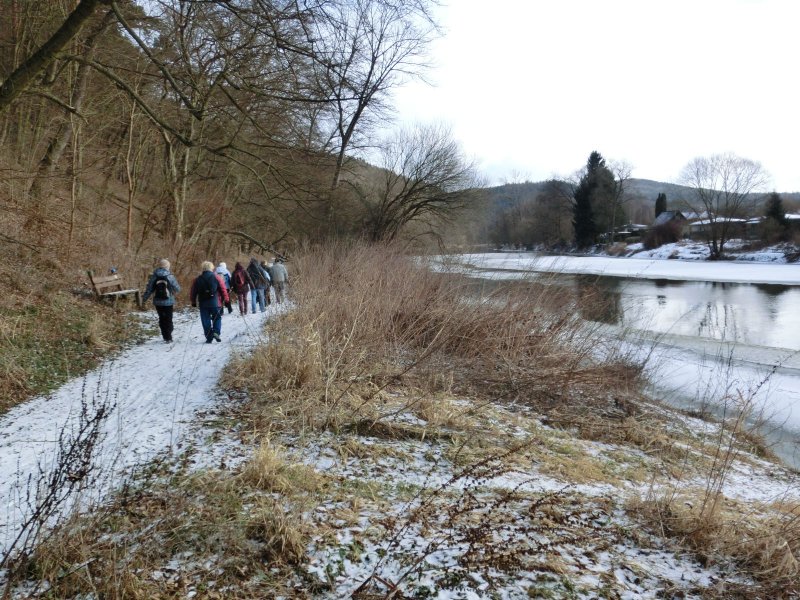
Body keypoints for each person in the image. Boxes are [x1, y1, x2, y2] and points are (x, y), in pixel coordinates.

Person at [190, 260, 231, 343]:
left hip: (203, 303)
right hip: (215, 302)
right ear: (212, 268)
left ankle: (209, 337)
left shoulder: (197, 279)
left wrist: (193, 301)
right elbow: (223, 289)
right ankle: (216, 332)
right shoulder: (217, 277)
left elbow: (193, 291)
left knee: (205, 320)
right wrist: (226, 299)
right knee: (217, 318)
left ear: (203, 268)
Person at [142, 259, 181, 343]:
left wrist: (144, 299)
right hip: (169, 301)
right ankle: (169, 336)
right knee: (168, 318)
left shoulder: (154, 275)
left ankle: (165, 336)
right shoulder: (170, 276)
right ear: (167, 266)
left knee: (162, 318)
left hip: (158, 301)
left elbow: (149, 289)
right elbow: (177, 288)